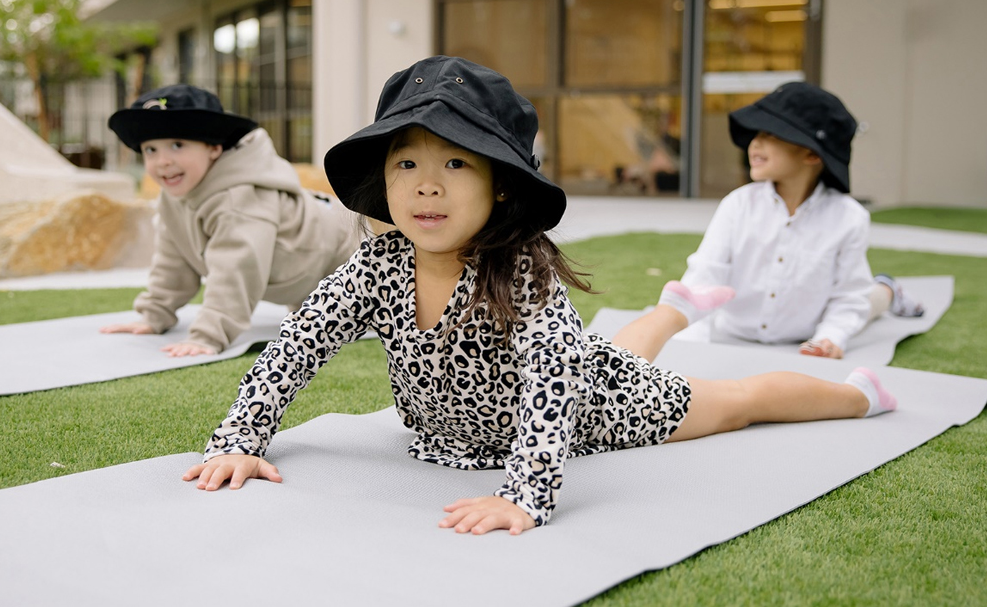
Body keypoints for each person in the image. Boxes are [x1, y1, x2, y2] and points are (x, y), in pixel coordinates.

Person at [183, 57, 897, 536]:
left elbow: (556, 385)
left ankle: (858, 394)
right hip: (478, 426)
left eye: (455, 161)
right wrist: (240, 438)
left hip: (600, 408)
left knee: (733, 402)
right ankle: (672, 307)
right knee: (608, 350)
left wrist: (524, 492)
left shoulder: (518, 269)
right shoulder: (376, 265)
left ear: (499, 184)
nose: (426, 184)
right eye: (406, 162)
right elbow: (296, 346)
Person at [613, 82, 924, 363]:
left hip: (806, 327)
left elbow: (847, 296)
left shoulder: (848, 217)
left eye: (770, 134)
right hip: (734, 329)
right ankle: (885, 287)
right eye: (755, 133)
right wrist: (690, 347)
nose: (754, 144)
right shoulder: (738, 205)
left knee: (866, 303)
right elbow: (703, 280)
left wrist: (830, 337)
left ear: (812, 155)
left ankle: (887, 289)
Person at [101, 84, 360, 356]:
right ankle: (317, 305)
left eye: (177, 145)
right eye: (150, 150)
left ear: (213, 147)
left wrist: (209, 335)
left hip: (349, 258)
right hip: (306, 280)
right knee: (315, 319)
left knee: (359, 316)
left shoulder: (240, 197)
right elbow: (173, 260)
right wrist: (154, 315)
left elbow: (236, 266)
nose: (162, 161)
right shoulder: (175, 197)